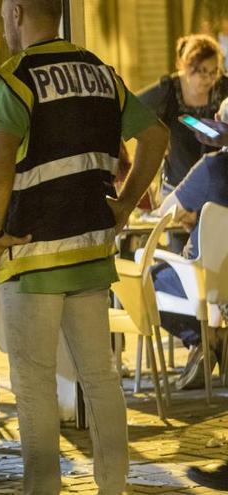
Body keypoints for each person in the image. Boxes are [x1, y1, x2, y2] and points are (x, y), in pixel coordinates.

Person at [0, 1, 168, 493]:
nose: (3, 23)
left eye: (3, 14)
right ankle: (114, 486)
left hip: (31, 252)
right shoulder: (102, 74)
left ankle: (42, 489)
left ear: (18, 12)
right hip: (90, 250)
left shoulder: (16, 78)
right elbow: (156, 134)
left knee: (35, 384)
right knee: (101, 378)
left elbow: (0, 158)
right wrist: (125, 204)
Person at [151, 96, 228, 390]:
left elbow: (166, 211)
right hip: (224, 285)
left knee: (146, 282)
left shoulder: (212, 167)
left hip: (202, 277)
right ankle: (213, 340)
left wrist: (191, 214)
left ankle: (203, 338)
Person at [139, 34, 228, 197]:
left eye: (214, 71)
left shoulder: (223, 87)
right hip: (176, 189)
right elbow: (134, 107)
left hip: (218, 189)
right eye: (202, 71)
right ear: (187, 68)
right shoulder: (168, 89)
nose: (209, 79)